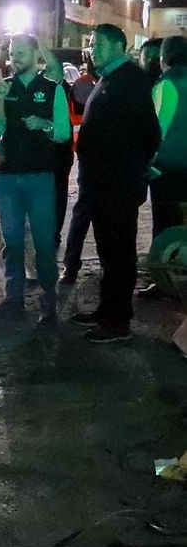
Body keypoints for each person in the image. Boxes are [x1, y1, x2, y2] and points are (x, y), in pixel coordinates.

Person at [71, 24, 160, 343]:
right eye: (91, 45)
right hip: (101, 183)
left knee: (120, 253)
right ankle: (106, 310)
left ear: (118, 47)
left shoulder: (131, 81)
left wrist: (130, 169)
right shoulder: (108, 78)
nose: (91, 50)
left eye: (97, 45)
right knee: (109, 252)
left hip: (118, 185)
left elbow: (150, 133)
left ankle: (118, 322)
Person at [0, 35, 71, 325]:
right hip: (7, 176)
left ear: (36, 55)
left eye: (21, 53)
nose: (15, 58)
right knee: (14, 243)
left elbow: (62, 133)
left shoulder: (51, 88)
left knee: (45, 243)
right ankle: (13, 299)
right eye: (12, 53)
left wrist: (43, 124)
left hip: (40, 176)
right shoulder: (3, 87)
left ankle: (49, 302)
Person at [60, 51, 100, 283]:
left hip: (94, 153)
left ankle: (72, 264)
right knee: (84, 211)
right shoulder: (86, 84)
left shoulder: (95, 83)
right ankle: (71, 264)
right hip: (88, 153)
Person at [149, 35, 187, 237]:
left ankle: (165, 264)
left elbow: (157, 129)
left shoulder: (167, 84)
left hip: (168, 170)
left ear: (164, 57)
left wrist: (147, 161)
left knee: (166, 226)